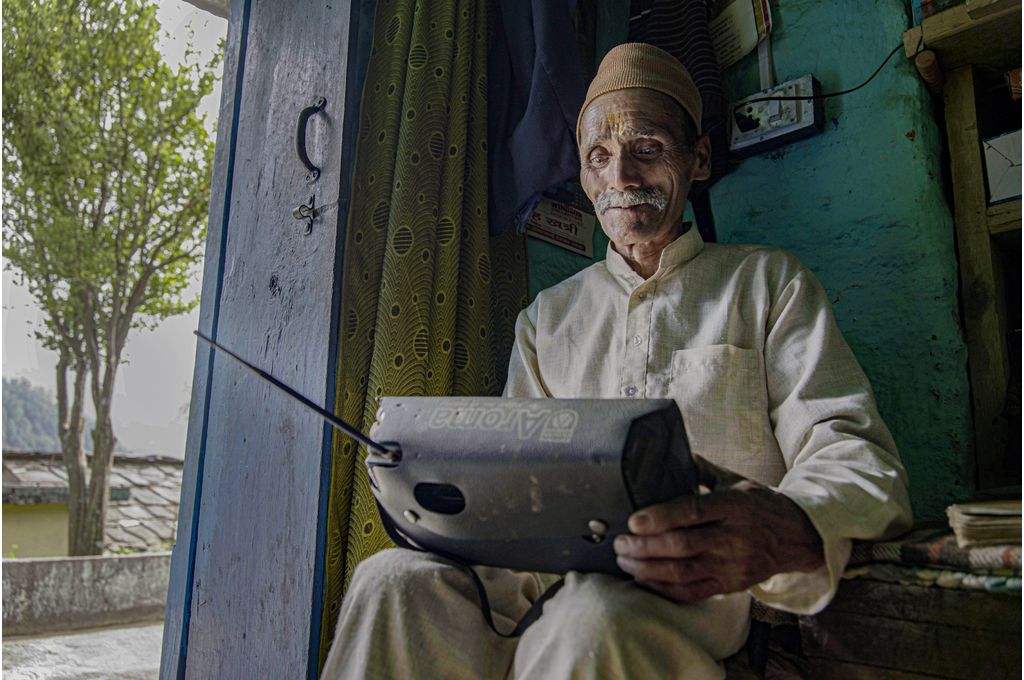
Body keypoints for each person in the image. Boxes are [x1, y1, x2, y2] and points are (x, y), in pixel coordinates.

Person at [321, 42, 912, 680]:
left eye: (649, 149)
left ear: (700, 158)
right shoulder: (546, 319)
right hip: (541, 584)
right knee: (390, 582)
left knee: (593, 613)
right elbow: (511, 485)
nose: (622, 178)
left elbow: (853, 452)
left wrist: (786, 520)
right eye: (598, 157)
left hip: (699, 591)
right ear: (582, 175)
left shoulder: (766, 284)